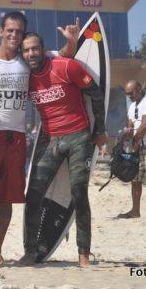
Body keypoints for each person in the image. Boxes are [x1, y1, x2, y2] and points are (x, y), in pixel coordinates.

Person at [0, 12, 78, 265]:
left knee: (6, 199)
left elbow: (63, 55)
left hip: (16, 139)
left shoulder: (27, 59)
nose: (14, 35)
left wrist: (72, 41)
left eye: (19, 32)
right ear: (0, 31)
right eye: (10, 30)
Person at [19, 32, 106, 267]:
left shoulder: (65, 67)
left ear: (43, 49)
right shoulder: (25, 78)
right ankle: (30, 251)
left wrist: (100, 131)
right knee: (33, 195)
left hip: (78, 137)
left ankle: (84, 253)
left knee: (79, 193)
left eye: (34, 48)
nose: (31, 54)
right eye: (26, 50)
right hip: (50, 140)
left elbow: (96, 95)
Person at [117, 80, 146, 220]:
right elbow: (132, 127)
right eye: (127, 94)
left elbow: (144, 126)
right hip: (138, 145)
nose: (129, 96)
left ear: (139, 89)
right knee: (135, 178)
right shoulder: (132, 106)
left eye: (131, 93)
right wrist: (127, 134)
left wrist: (135, 140)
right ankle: (135, 211)